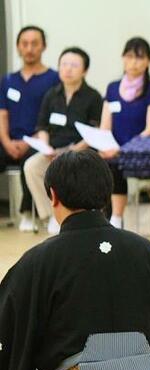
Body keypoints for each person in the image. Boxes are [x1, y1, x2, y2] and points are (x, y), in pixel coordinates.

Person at [0, 150, 150, 370]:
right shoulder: (147, 252)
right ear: (107, 194)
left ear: (53, 195)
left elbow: (8, 335)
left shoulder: (39, 261)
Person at [23, 47, 102, 235]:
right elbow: (41, 127)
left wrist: (74, 150)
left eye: (74, 65)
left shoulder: (93, 97)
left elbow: (95, 131)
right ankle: (52, 215)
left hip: (81, 151)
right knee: (31, 166)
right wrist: (46, 147)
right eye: (64, 64)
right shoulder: (51, 95)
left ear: (84, 70)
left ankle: (73, 217)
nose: (68, 69)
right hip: (53, 151)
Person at [99, 37, 150, 229]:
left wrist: (121, 150)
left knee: (115, 164)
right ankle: (99, 216)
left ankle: (116, 219)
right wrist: (106, 146)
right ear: (122, 58)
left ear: (148, 62)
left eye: (139, 58)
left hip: (138, 149)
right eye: (129, 57)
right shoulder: (112, 88)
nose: (133, 62)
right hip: (112, 148)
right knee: (94, 161)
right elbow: (105, 126)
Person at [0, 25, 59, 231]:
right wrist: (6, 142)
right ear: (18, 47)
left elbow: (52, 118)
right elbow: (2, 113)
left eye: (34, 43)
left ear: (43, 46)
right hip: (9, 141)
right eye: (24, 44)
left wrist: (27, 142)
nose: (29, 48)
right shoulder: (8, 80)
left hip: (38, 140)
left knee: (31, 159)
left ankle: (27, 212)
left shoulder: (53, 79)